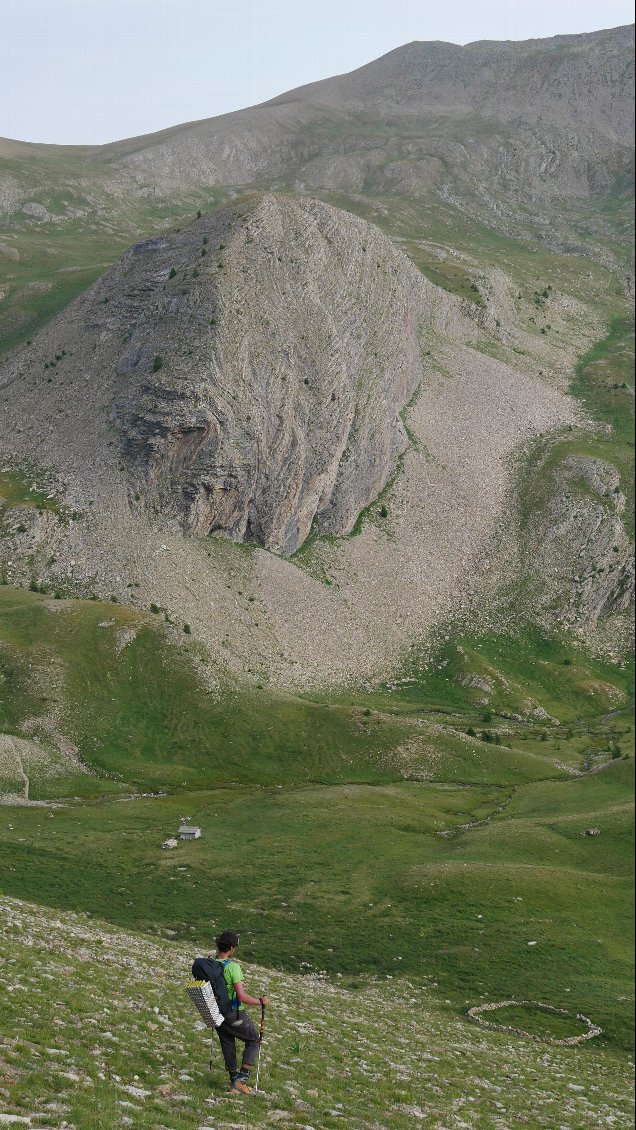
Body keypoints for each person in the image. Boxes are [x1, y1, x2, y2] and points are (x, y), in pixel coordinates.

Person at [214, 930, 270, 1095]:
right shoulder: (233, 967)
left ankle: (233, 1080)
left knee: (228, 1042)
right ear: (231, 948)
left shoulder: (210, 964)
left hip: (216, 1012)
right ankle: (241, 1080)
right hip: (233, 1012)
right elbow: (242, 996)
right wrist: (260, 1001)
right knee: (253, 1039)